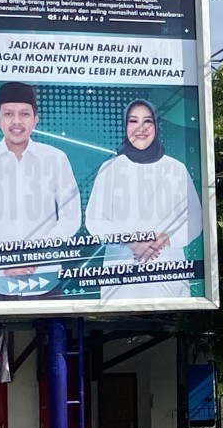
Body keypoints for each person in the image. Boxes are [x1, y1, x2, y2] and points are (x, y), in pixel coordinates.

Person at [0, 81, 81, 300]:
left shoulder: (55, 158)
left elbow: (71, 218)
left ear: (35, 120)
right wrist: (3, 257)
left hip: (45, 276)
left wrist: (36, 254)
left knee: (52, 335)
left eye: (24, 114)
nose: (16, 121)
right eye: (8, 114)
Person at [84, 98, 202, 300]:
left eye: (147, 121)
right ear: (125, 126)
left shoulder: (176, 169)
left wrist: (165, 239)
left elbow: (195, 220)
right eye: (133, 121)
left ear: (156, 125)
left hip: (169, 280)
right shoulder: (110, 169)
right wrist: (131, 241)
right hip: (120, 285)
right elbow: (94, 222)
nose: (141, 128)